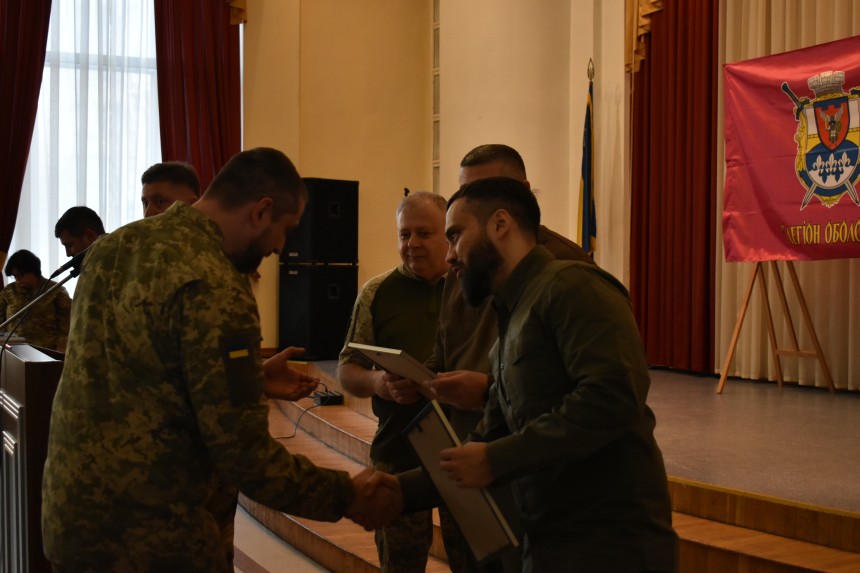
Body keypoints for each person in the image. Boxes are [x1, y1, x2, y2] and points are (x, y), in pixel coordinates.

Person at [41, 147, 402, 572]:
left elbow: (138, 375)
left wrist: (250, 379)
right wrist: (347, 495)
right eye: (285, 229)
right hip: (153, 539)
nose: (280, 247)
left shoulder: (113, 248)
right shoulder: (216, 284)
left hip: (71, 520)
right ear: (261, 210)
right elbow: (245, 456)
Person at [431, 176, 677, 572]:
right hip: (548, 540)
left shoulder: (572, 286)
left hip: (611, 547)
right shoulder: (511, 318)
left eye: (455, 235)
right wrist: (397, 490)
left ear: (500, 224)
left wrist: (497, 460)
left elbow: (613, 396)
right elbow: (490, 435)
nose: (449, 256)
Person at [405, 144, 596, 573]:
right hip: (471, 452)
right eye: (464, 194)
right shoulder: (464, 267)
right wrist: (421, 377)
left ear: (514, 205)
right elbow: (446, 347)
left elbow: (605, 397)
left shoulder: (569, 272)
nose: (450, 252)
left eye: (486, 194)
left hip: (535, 472)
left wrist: (487, 390)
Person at [337, 190, 451, 573]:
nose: (412, 244)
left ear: (449, 233)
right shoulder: (376, 292)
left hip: (464, 452)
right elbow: (347, 369)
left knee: (476, 561)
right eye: (404, 234)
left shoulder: (472, 287)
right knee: (400, 564)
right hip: (397, 453)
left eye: (424, 233)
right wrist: (379, 384)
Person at [0, 249, 72, 351]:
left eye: (21, 275)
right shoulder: (9, 292)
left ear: (33, 271)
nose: (18, 280)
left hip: (47, 353)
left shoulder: (56, 291)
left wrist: (60, 354)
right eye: (15, 276)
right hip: (14, 352)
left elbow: (66, 328)